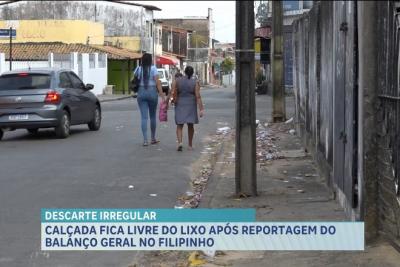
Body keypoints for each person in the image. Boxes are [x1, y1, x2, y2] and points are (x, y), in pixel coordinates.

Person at [134, 53, 165, 146]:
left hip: (141, 92)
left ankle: (145, 140)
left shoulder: (138, 69)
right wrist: (162, 95)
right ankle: (153, 138)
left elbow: (135, 79)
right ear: (150, 60)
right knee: (152, 117)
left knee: (144, 117)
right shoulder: (153, 68)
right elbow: (158, 82)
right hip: (152, 92)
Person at [171, 66, 204, 151]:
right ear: (192, 73)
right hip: (191, 104)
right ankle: (190, 145)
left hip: (180, 104)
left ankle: (180, 143)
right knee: (190, 125)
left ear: (184, 72)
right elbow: (198, 96)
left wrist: (169, 101)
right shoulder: (195, 82)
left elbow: (173, 92)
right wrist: (201, 109)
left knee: (179, 125)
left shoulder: (177, 80)